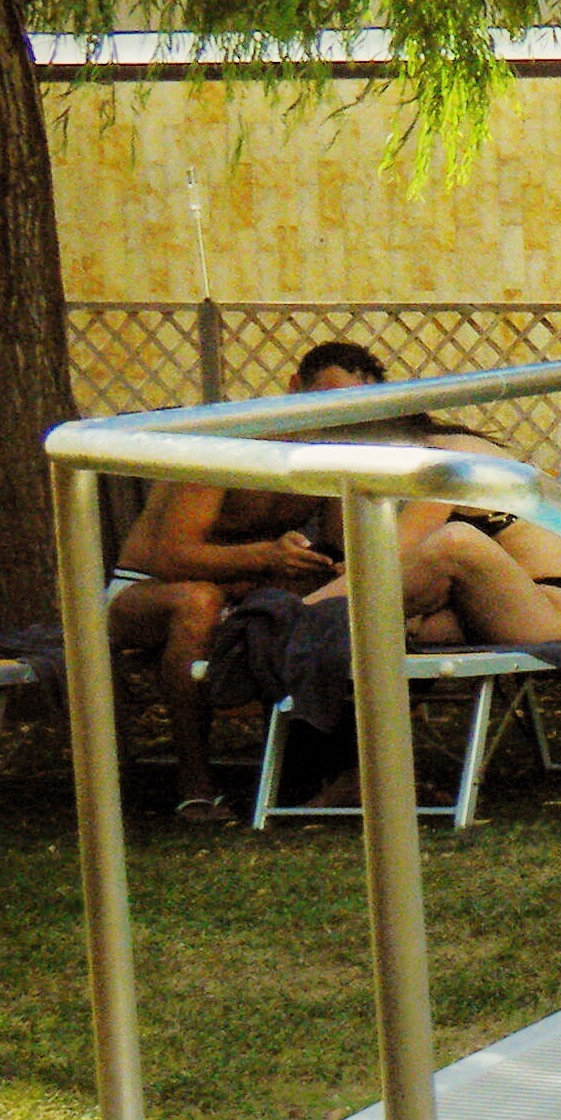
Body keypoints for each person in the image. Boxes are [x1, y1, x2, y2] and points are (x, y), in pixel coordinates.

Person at [108, 340, 387, 822]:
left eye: (355, 408)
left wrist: (331, 566)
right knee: (199, 600)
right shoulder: (228, 445)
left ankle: (314, 770)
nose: (338, 416)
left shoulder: (337, 456)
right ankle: (196, 787)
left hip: (250, 592)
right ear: (294, 388)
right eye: (328, 399)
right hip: (146, 590)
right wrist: (264, 556)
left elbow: (342, 550)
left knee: (323, 601)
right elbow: (167, 554)